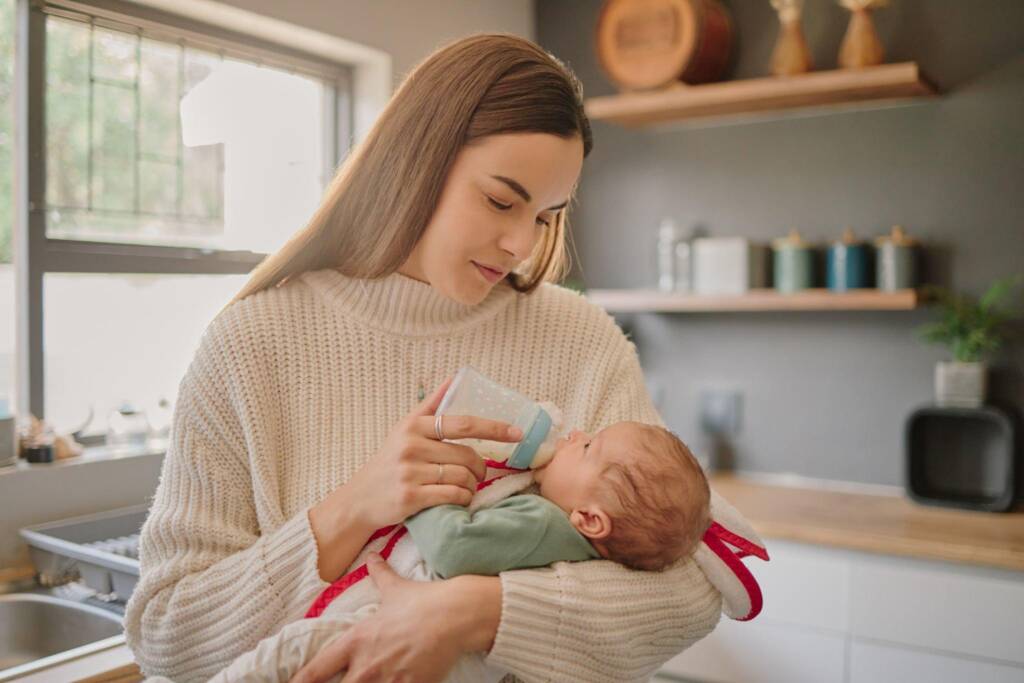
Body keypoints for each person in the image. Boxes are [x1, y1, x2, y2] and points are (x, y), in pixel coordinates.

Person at [124, 33, 734, 682]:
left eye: (545, 217)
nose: (520, 245)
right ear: (418, 157)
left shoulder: (582, 339)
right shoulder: (250, 344)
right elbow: (168, 632)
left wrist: (472, 612)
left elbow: (693, 584)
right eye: (502, 200)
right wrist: (353, 507)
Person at [206, 422, 712, 682]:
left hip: (380, 636)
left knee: (285, 656)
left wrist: (422, 495)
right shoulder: (574, 536)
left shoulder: (542, 521)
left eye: (587, 447)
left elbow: (454, 547)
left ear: (589, 519)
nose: (575, 434)